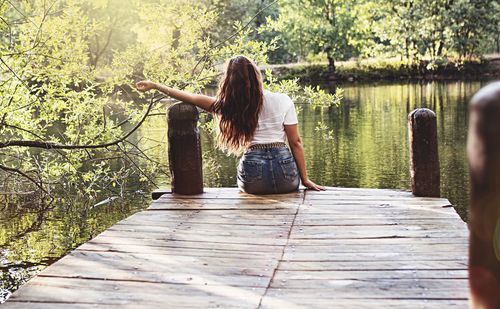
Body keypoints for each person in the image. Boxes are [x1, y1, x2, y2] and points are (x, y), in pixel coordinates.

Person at [136, 55, 324, 194]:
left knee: (247, 184)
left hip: (254, 177)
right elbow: (296, 142)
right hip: (287, 178)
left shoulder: (228, 106)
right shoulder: (283, 100)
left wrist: (155, 85)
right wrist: (305, 179)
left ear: (230, 82)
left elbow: (190, 97)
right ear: (256, 75)